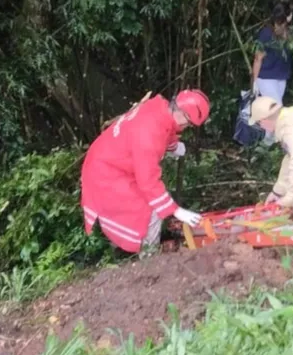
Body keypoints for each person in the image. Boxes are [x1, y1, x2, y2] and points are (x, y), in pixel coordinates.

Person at [80, 90, 210, 255]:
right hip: (106, 173)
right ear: (182, 114)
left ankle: (137, 250)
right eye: (188, 123)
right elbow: (148, 182)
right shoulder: (148, 133)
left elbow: (167, 128)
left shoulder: (158, 108)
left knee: (156, 202)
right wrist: (176, 211)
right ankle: (149, 258)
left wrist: (174, 146)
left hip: (111, 160)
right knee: (151, 208)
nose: (186, 127)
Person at [251, 0, 293, 104]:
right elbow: (258, 59)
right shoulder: (266, 33)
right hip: (266, 77)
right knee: (277, 109)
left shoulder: (289, 33)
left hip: (281, 77)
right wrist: (254, 82)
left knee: (270, 111)